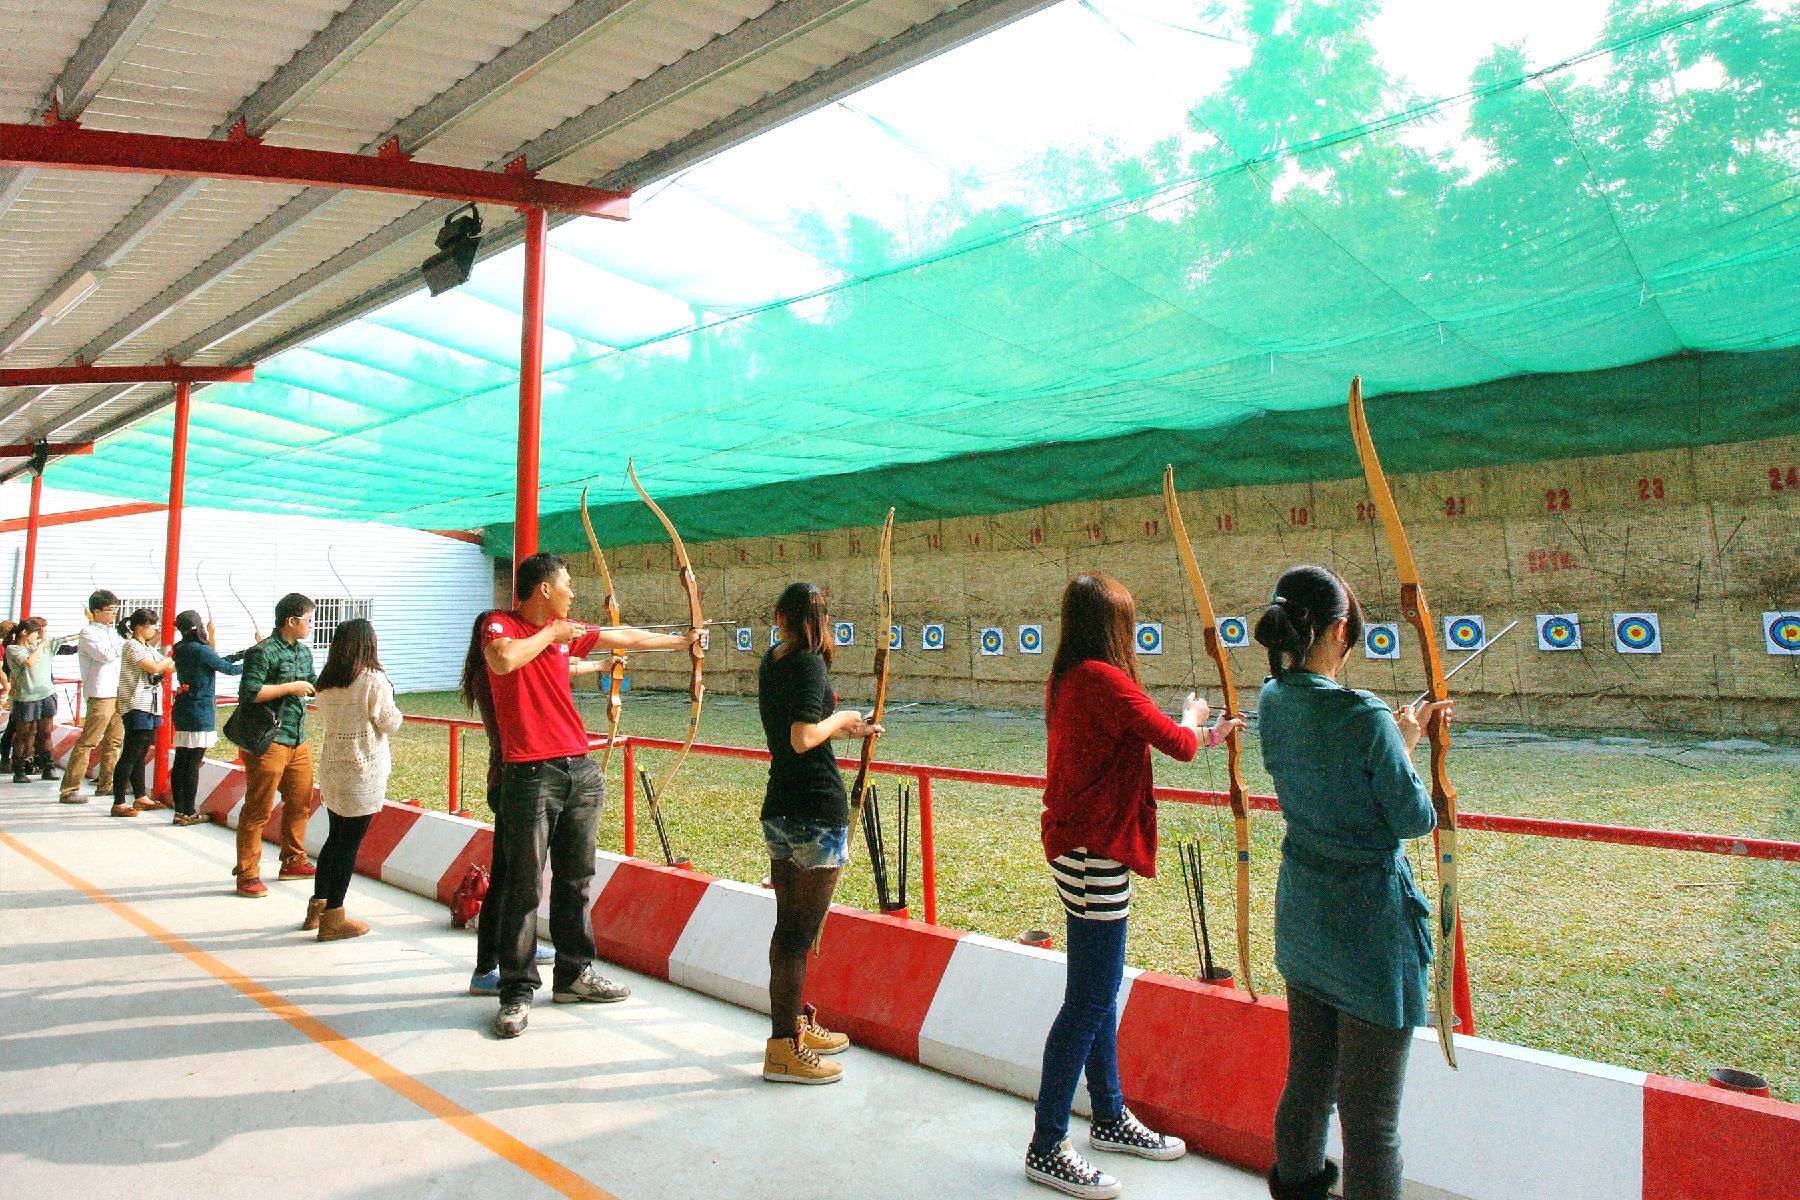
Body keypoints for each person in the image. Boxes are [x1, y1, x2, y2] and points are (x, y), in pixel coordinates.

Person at [1027, 573, 1242, 1199]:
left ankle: (1111, 1114)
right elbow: (1177, 742)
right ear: (1113, 628)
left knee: (1094, 992)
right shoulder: (1102, 678)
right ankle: (1047, 1144)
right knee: (1089, 1001)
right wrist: (1199, 719)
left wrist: (1205, 731)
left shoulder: (1071, 677)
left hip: (1082, 848)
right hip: (1094, 853)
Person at [1253, 565, 1451, 1200]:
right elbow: (1413, 817)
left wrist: (1391, 741)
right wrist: (1406, 744)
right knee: (1371, 1124)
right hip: (1368, 931)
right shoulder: (1365, 718)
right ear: (1340, 630)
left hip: (1306, 916)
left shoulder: (1271, 699)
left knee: (1308, 1086)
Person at [482, 552, 694, 1039]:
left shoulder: (563, 632)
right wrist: (552, 636)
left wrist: (681, 641)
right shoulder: (501, 626)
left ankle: (574, 974)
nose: (573, 593)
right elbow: (504, 660)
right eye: (567, 585)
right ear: (543, 590)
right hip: (529, 774)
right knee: (523, 885)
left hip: (578, 769)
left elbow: (627, 637)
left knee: (576, 879)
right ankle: (516, 990)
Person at [755, 582, 878, 1085]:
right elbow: (803, 737)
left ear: (780, 615)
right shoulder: (809, 663)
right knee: (797, 934)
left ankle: (794, 1026)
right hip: (814, 811)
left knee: (790, 928)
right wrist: (844, 718)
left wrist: (840, 726)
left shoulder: (773, 660)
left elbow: (805, 725)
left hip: (781, 806)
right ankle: (783, 1047)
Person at [460, 610, 585, 995]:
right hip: (511, 779)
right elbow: (524, 658)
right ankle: (486, 968)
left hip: (508, 778)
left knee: (512, 875)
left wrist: (600, 662)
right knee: (508, 879)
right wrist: (551, 635)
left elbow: (551, 664)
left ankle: (516, 949)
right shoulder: (496, 670)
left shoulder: (496, 666)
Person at [305, 618, 404, 941]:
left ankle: (317, 907)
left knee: (334, 840)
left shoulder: (327, 681)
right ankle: (334, 917)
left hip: (333, 769)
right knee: (348, 845)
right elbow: (389, 723)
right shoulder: (373, 680)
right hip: (362, 773)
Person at [231, 593, 319, 898]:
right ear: (291, 621)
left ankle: (293, 859)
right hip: (269, 740)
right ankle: (247, 872)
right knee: (258, 808)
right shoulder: (262, 653)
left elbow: (314, 682)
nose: (312, 624)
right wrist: (290, 688)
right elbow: (250, 693)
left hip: (298, 739)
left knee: (300, 801)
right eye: (308, 619)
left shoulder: (304, 653)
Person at [169, 610, 243, 826]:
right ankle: (188, 811)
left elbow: (215, 661)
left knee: (182, 761)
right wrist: (255, 660)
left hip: (184, 709)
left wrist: (243, 653)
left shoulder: (181, 648)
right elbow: (228, 669)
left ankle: (180, 809)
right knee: (192, 763)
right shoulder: (201, 650)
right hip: (199, 710)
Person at [61, 591, 127, 804]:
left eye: (115, 610)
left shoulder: (113, 633)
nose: (113, 614)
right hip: (100, 692)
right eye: (109, 610)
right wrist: (124, 642)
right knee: (88, 741)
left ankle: (106, 784)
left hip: (118, 691)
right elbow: (105, 655)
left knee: (115, 740)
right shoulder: (88, 633)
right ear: (95, 612)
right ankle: (69, 788)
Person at [111, 609, 177, 817]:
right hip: (136, 704)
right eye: (151, 626)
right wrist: (166, 659)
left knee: (141, 753)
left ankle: (140, 795)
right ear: (140, 627)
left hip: (150, 705)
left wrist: (167, 661)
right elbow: (155, 667)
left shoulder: (147, 646)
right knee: (130, 754)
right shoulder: (132, 646)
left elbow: (168, 666)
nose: (155, 630)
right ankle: (119, 801)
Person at [5, 618, 72, 784]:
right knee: (23, 733)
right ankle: (19, 769)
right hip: (26, 697)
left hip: (46, 694)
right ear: (24, 633)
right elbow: (28, 662)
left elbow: (68, 639)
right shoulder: (14, 649)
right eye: (35, 632)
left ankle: (48, 766)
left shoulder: (42, 647)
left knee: (46, 733)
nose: (38, 635)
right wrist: (41, 646)